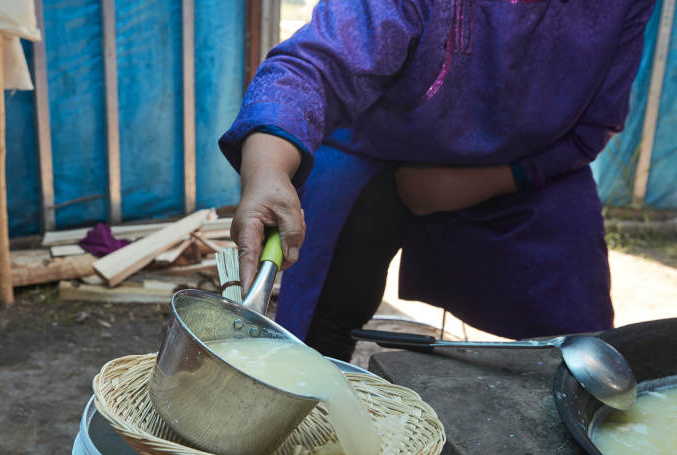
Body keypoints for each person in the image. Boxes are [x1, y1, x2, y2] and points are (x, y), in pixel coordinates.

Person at [219, 0, 656, 361]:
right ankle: (311, 387)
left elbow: (590, 130)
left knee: (584, 351)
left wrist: (477, 183)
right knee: (319, 322)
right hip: (373, 151)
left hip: (525, 169)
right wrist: (268, 173)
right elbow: (314, 66)